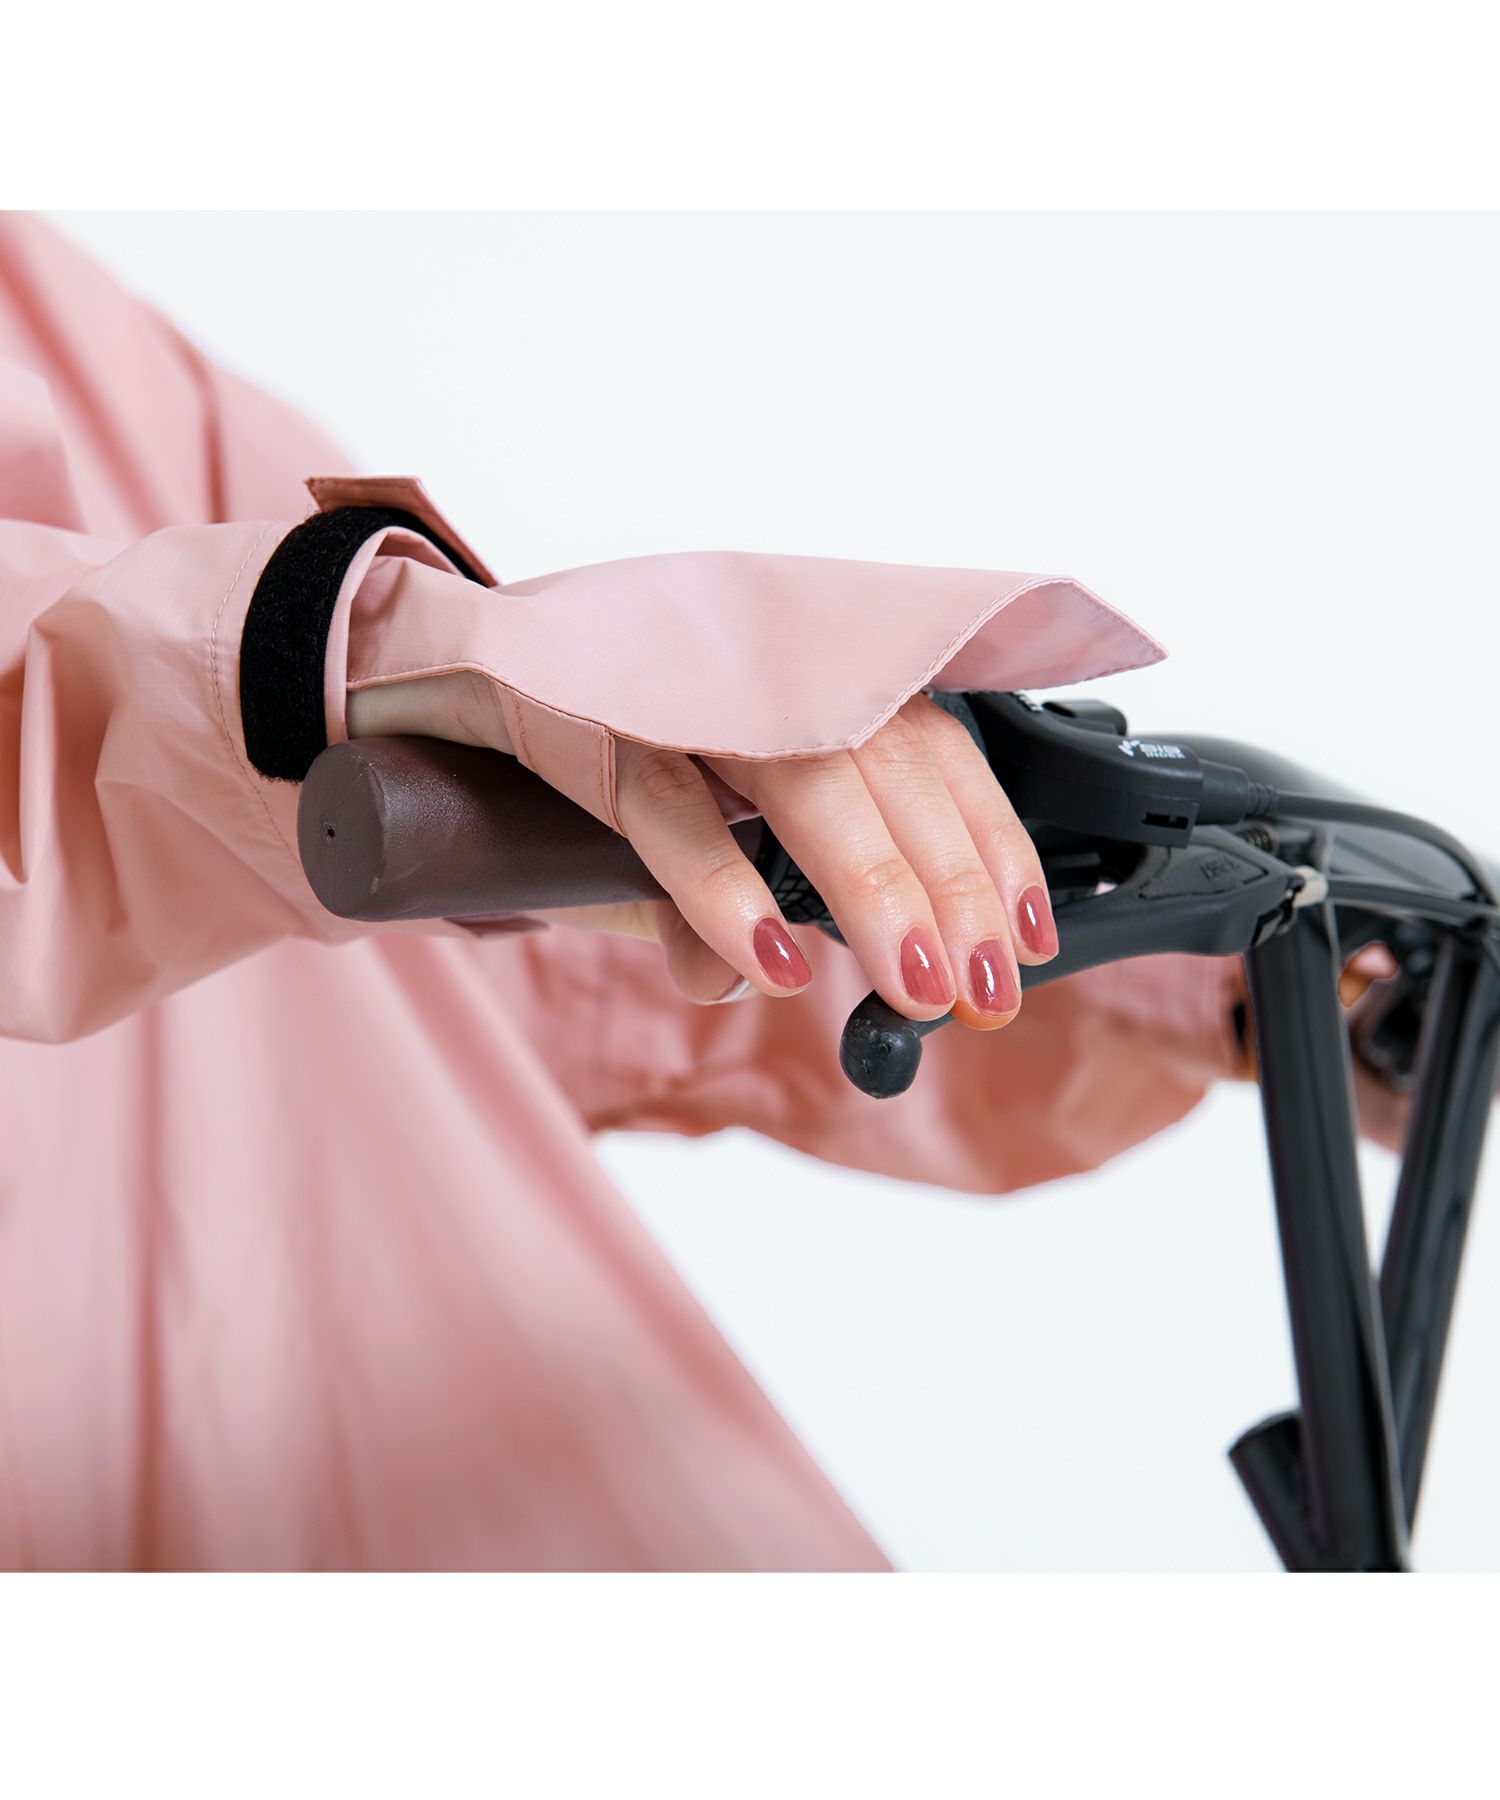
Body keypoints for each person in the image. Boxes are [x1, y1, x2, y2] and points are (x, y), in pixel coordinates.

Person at [0, 214, 1274, 1570]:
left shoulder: (84, 341)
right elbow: (149, 704)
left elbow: (516, 966)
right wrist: (336, 659)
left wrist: (1214, 963)